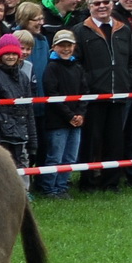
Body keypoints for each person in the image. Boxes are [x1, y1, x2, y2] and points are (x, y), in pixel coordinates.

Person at [71, 0, 132, 192]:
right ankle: (88, 182)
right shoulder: (79, 31)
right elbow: (76, 63)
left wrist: (126, 80)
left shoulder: (123, 29)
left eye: (106, 2)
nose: (102, 7)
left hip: (118, 95)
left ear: (113, 3)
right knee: (91, 141)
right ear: (89, 5)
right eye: (97, 3)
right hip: (93, 97)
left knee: (115, 141)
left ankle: (111, 182)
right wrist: (88, 83)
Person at [39, 29, 87, 198]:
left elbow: (84, 92)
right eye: (62, 46)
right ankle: (49, 188)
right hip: (57, 120)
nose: (65, 49)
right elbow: (52, 94)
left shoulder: (78, 67)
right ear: (54, 47)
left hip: (76, 120)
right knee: (55, 156)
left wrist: (80, 114)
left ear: (74, 47)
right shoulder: (51, 68)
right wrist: (69, 115)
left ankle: (62, 186)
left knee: (70, 157)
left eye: (69, 45)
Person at [0, 33, 36, 177]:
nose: (11, 57)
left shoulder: (23, 77)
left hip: (21, 131)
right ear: (0, 55)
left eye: (13, 53)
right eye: (7, 54)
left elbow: (29, 109)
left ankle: (24, 194)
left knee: (23, 165)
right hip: (2, 133)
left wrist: (32, 138)